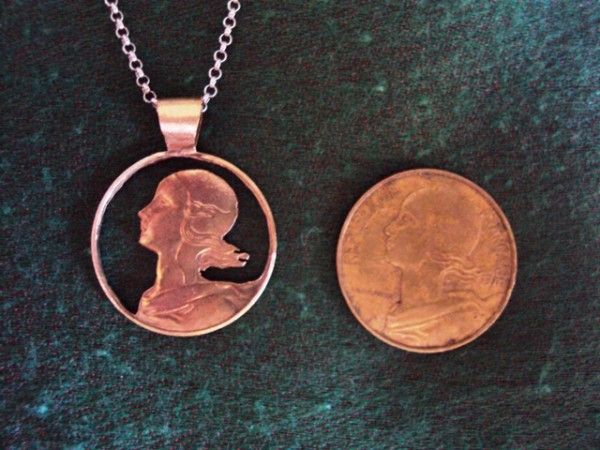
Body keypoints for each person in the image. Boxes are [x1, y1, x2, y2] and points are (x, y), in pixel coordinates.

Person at [136, 169, 260, 332]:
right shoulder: (149, 299)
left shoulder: (217, 306)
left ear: (197, 223)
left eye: (163, 203)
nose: (143, 212)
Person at [382, 186, 506, 347]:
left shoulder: (461, 320)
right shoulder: (397, 319)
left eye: (406, 220)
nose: (389, 229)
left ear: (437, 238)